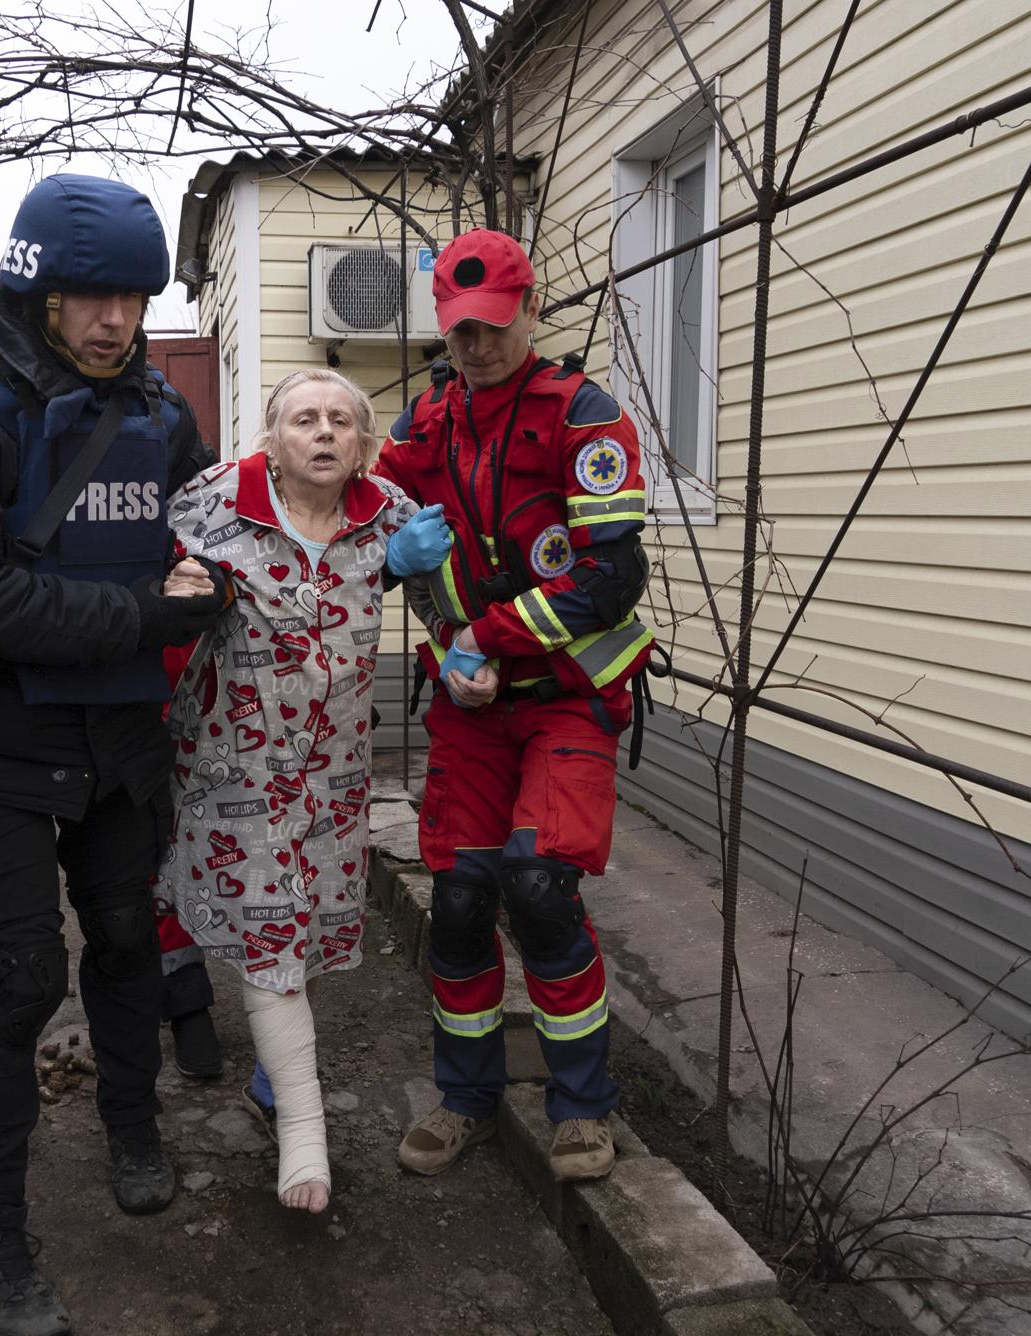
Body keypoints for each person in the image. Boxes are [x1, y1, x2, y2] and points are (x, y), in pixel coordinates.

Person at [0, 173, 232, 1336]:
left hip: (121, 742)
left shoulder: (158, 413)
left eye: (132, 296)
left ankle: (131, 1125)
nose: (113, 320)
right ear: (35, 290)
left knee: (128, 942)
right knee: (21, 976)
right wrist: (142, 617)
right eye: (88, 295)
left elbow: (215, 539)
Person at [377, 228, 656, 1184]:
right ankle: (464, 1099)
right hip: (468, 709)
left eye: (495, 326)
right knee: (456, 904)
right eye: (462, 333)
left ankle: (582, 1107)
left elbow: (611, 577)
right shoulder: (425, 425)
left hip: (566, 699)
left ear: (530, 311)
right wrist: (384, 556)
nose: (480, 346)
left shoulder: (585, 414)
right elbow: (358, 513)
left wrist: (484, 639)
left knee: (539, 891)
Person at [157, 369, 452, 1213]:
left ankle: (269, 1077)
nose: (322, 433)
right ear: (272, 440)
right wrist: (182, 592)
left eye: (339, 421)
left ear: (360, 443)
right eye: (302, 420)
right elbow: (148, 582)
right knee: (275, 930)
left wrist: (462, 652)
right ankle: (305, 1136)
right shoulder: (213, 502)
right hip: (233, 770)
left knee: (312, 933)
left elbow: (440, 604)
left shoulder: (388, 513)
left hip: (335, 772)